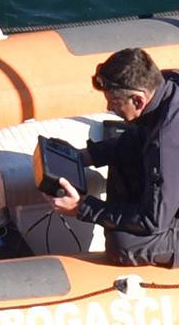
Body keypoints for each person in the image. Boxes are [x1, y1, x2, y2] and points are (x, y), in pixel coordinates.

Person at [41, 46, 179, 263]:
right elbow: (138, 137)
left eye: (114, 102)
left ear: (138, 100)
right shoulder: (168, 84)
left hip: (159, 213)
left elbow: (152, 221)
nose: (109, 107)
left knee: (122, 244)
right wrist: (85, 156)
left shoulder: (166, 142)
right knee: (129, 141)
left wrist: (82, 208)